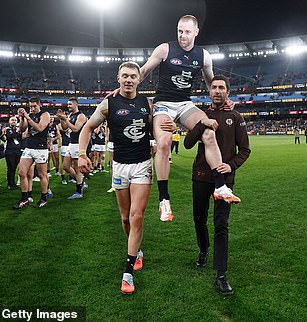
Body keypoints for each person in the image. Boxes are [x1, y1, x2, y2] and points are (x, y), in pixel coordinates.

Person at [131, 15, 238, 222]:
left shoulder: (204, 56)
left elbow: (211, 83)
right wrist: (122, 89)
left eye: (187, 31)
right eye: (180, 31)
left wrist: (225, 99)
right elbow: (142, 72)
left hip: (185, 104)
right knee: (163, 143)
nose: (182, 35)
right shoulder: (165, 49)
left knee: (208, 132)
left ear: (196, 32)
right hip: (163, 104)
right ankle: (164, 199)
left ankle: (220, 186)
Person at [77, 61, 172, 295]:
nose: (129, 80)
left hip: (142, 165)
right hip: (119, 167)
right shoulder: (109, 103)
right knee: (125, 218)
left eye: (133, 76)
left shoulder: (146, 103)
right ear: (118, 78)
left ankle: (128, 271)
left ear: (140, 80)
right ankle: (136, 250)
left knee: (136, 215)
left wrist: (168, 126)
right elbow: (87, 128)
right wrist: (81, 154)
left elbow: (155, 128)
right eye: (125, 76)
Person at [184, 75, 251, 296]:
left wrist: (230, 166)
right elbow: (187, 143)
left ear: (227, 92)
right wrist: (201, 123)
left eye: (221, 88)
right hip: (201, 176)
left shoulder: (236, 116)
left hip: (225, 181)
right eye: (214, 87)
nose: (217, 91)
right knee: (199, 218)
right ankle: (203, 251)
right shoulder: (201, 115)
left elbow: (245, 150)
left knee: (221, 225)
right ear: (209, 91)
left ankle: (221, 275)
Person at [13, 97, 51, 209]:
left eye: (34, 106)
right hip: (29, 147)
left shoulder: (45, 114)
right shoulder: (30, 115)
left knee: (42, 175)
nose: (32, 108)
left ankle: (43, 199)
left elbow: (40, 128)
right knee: (21, 172)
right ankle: (24, 199)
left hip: (41, 148)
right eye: (30, 106)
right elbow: (22, 129)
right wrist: (22, 118)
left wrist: (28, 118)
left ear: (39, 105)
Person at [56, 97, 87, 200]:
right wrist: (62, 118)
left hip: (79, 144)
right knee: (65, 166)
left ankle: (79, 191)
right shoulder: (70, 115)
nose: (68, 106)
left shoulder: (81, 116)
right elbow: (65, 128)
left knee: (77, 169)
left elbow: (75, 129)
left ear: (76, 104)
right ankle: (81, 182)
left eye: (70, 104)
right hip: (71, 144)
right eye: (68, 104)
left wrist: (65, 119)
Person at [4, 115, 22, 190]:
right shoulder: (7, 129)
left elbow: (21, 139)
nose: (14, 121)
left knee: (14, 167)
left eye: (15, 120)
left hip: (17, 150)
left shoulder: (19, 129)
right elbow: (9, 137)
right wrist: (16, 132)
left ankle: (13, 183)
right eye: (12, 120)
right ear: (9, 121)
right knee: (10, 167)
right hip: (10, 151)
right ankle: (10, 183)